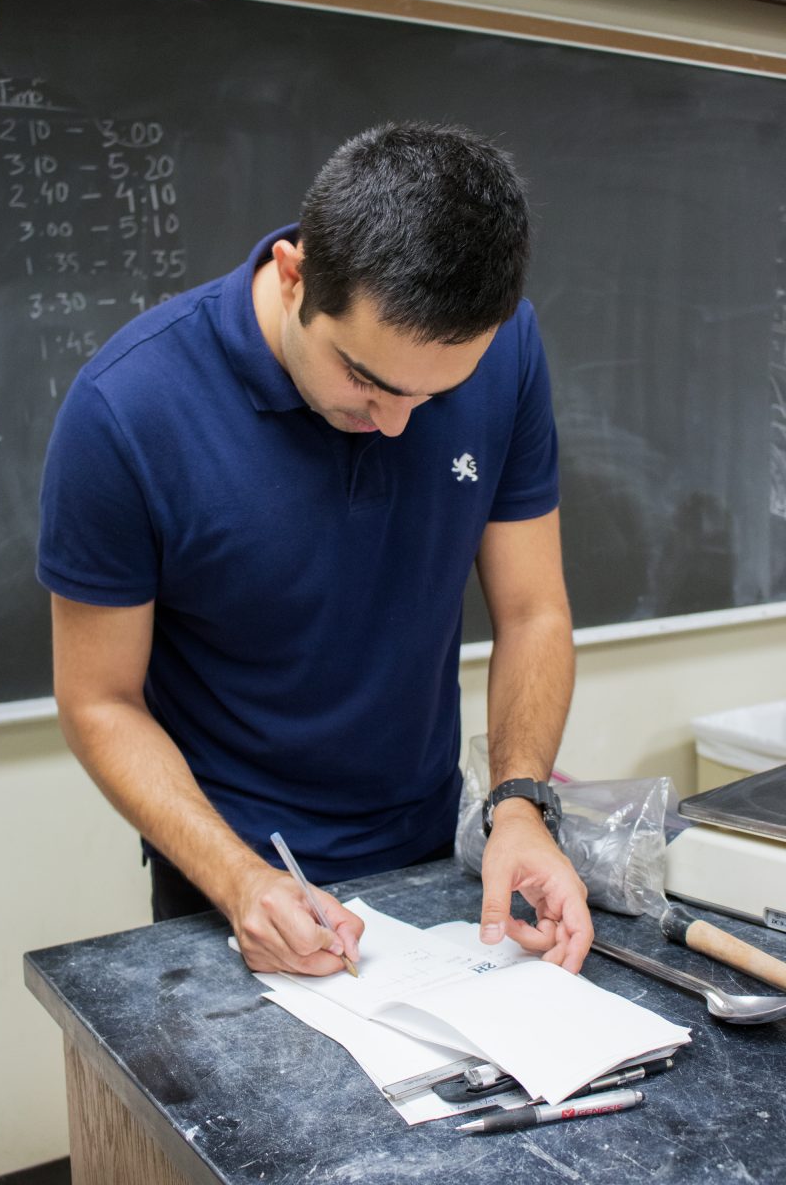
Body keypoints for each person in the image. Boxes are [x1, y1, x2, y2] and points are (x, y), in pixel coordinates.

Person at [38, 120, 592, 979]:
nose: (400, 422)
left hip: (431, 853)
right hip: (235, 881)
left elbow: (533, 611)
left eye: (436, 393)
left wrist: (519, 806)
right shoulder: (128, 410)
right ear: (295, 276)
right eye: (367, 381)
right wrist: (237, 879)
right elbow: (99, 701)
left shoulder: (506, 349)